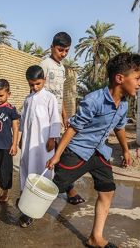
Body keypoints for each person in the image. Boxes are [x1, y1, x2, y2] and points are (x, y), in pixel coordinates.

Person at [45, 53, 140, 247]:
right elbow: (73, 128)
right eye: (137, 78)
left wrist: (126, 150)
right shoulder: (94, 100)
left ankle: (95, 238)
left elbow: (119, 128)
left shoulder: (123, 105)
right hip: (77, 152)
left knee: (107, 190)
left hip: (100, 152)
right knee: (52, 189)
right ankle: (28, 208)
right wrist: (57, 156)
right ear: (120, 79)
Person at [40, 31, 85, 205]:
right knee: (46, 153)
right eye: (60, 50)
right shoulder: (44, 64)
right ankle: (42, 190)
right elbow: (36, 90)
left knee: (59, 154)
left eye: (66, 51)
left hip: (56, 120)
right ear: (52, 47)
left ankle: (68, 189)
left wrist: (65, 116)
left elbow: (60, 97)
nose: (63, 54)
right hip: (45, 119)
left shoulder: (61, 68)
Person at [18, 65, 61, 226]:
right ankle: (25, 200)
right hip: (29, 142)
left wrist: (53, 138)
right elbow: (24, 121)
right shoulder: (28, 99)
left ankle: (38, 202)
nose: (34, 87)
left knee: (42, 170)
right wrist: (22, 138)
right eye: (31, 84)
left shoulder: (49, 98)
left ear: (44, 80)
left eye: (37, 84)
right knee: (26, 168)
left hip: (44, 144)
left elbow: (54, 119)